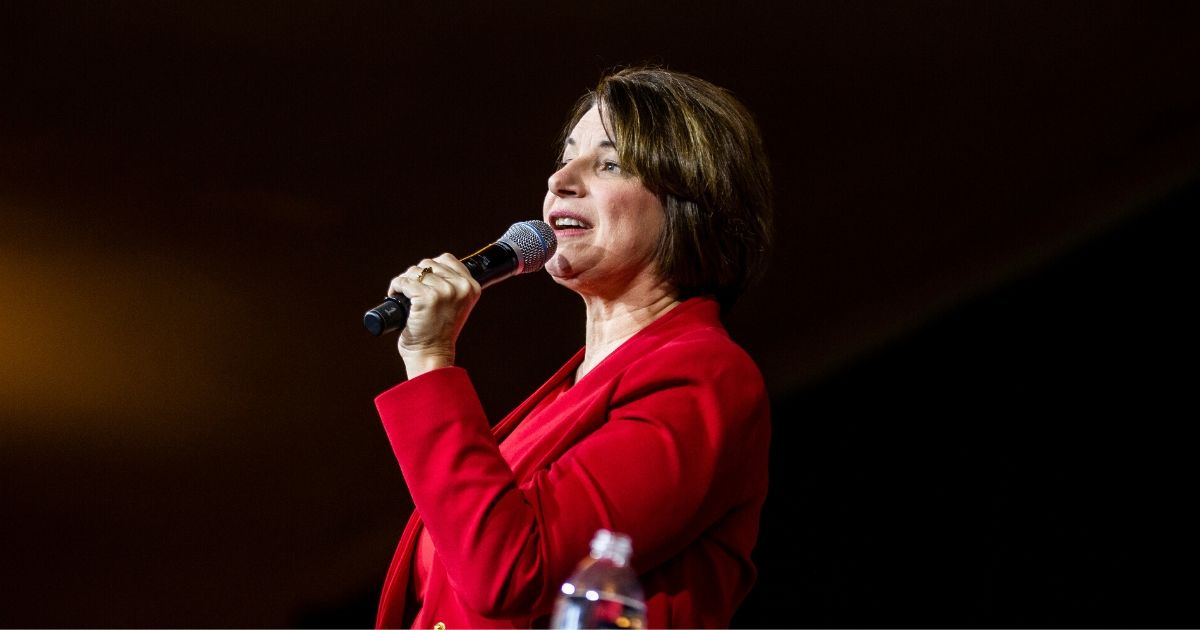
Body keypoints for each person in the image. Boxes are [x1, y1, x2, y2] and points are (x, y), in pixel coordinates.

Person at [373, 66, 774, 629]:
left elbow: (510, 572)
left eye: (608, 164)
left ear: (690, 203)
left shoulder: (704, 376)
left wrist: (432, 361)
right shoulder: (562, 397)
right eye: (565, 156)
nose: (561, 178)